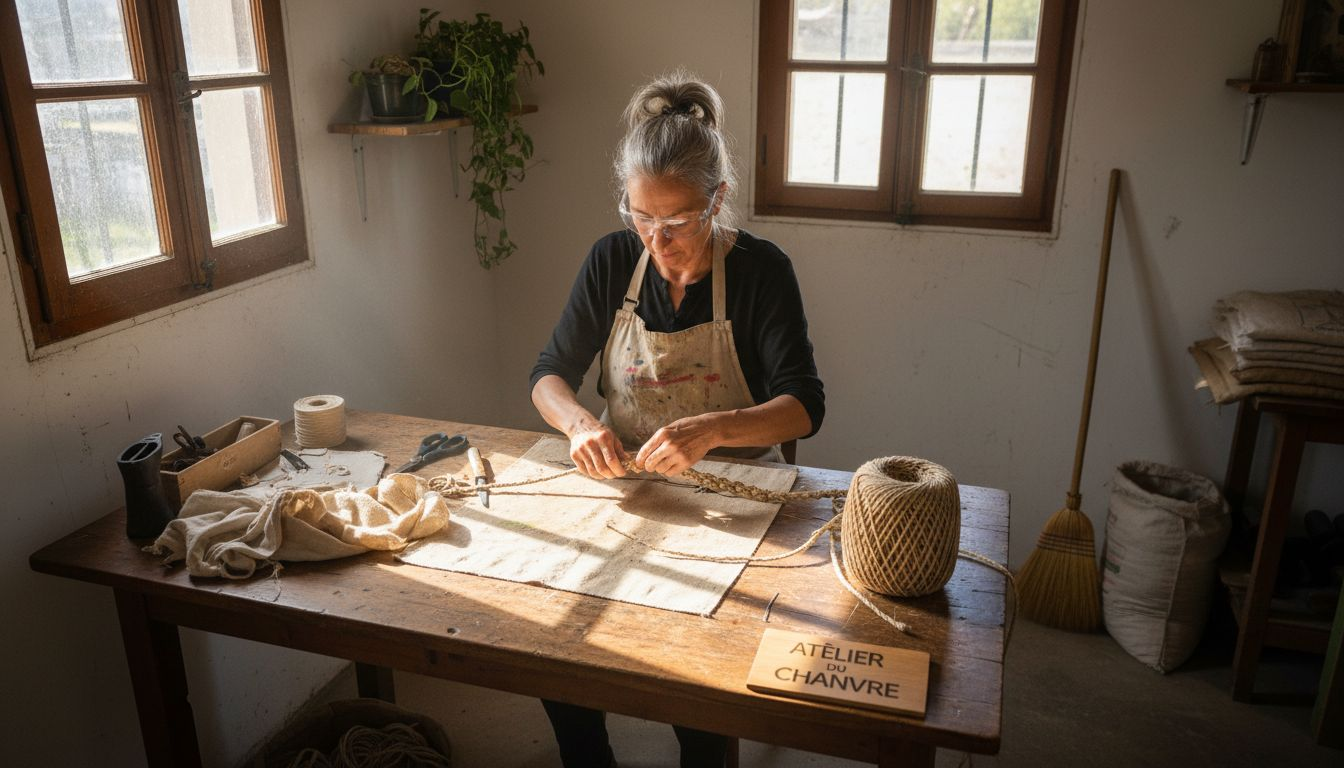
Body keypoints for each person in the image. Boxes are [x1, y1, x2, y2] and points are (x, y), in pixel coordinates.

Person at [528, 71, 825, 768]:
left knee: (698, 685)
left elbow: (804, 406)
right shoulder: (611, 262)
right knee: (557, 652)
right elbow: (547, 377)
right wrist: (579, 426)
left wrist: (715, 429)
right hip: (628, 488)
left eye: (678, 222)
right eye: (641, 218)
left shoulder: (760, 271)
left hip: (736, 501)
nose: (657, 241)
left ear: (716, 201)